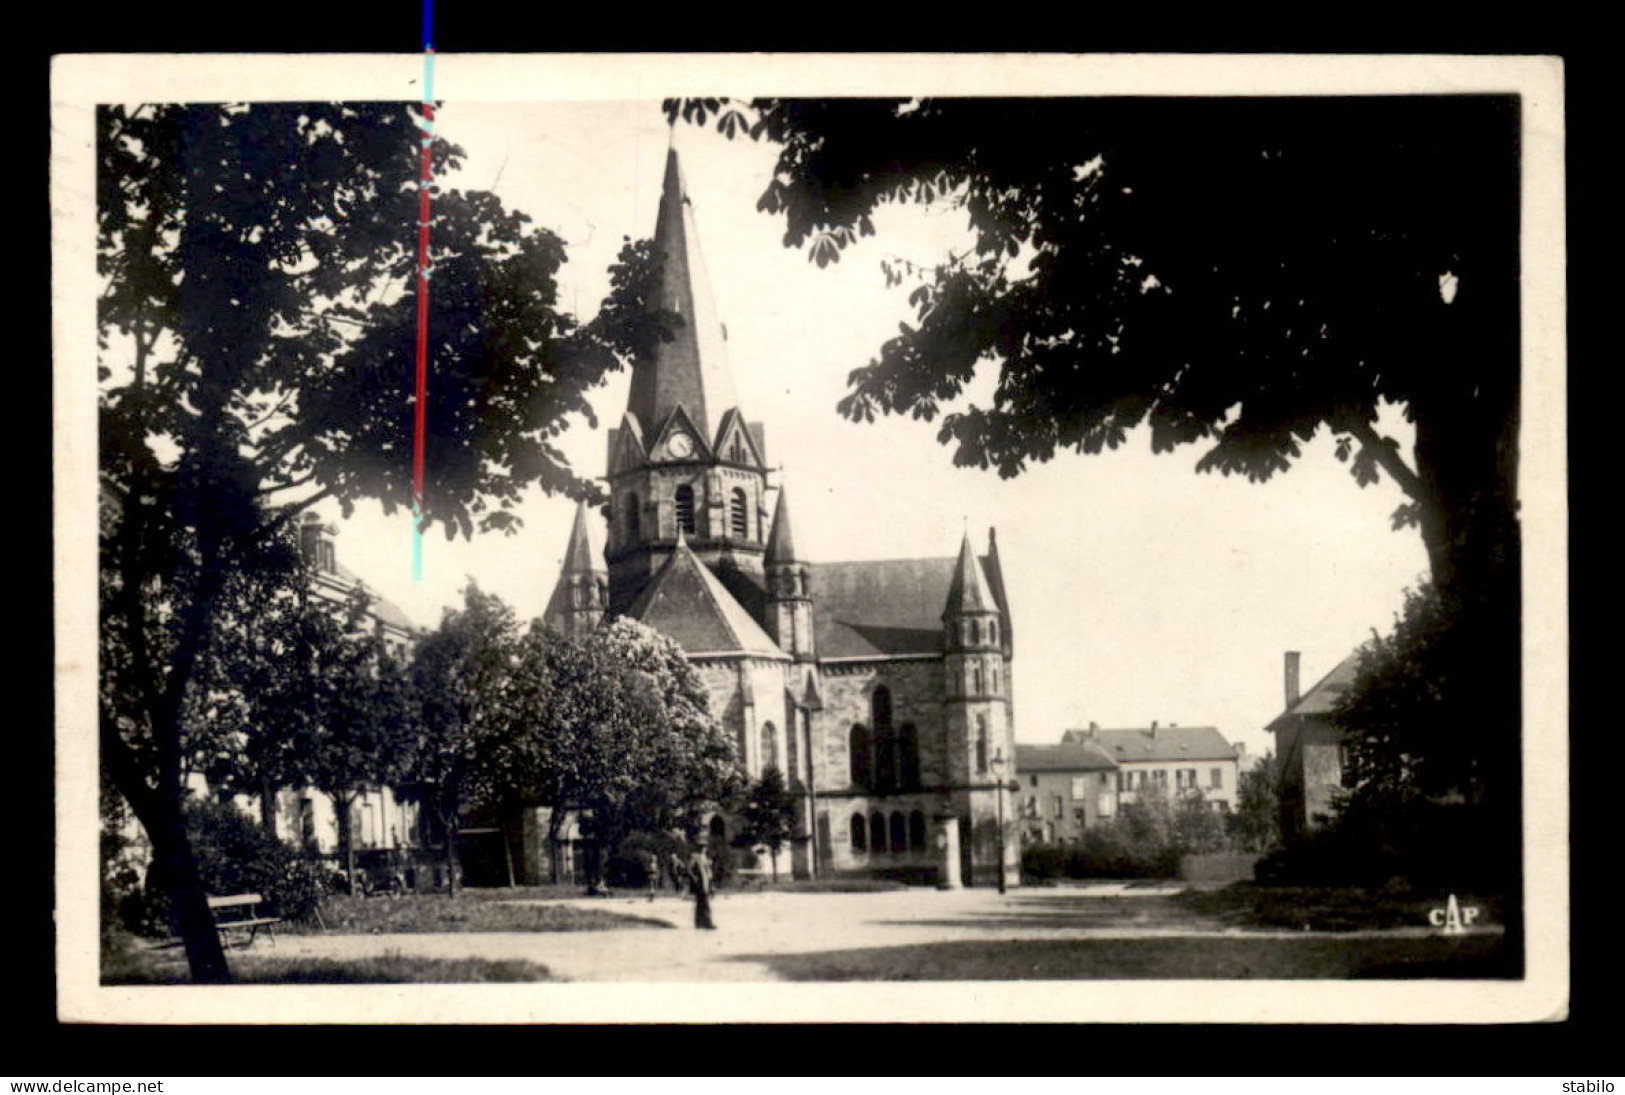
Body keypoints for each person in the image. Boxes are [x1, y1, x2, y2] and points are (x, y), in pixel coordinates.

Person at [689, 844, 716, 930]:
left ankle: (701, 922)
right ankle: (706, 922)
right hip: (701, 883)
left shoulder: (703, 857)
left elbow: (708, 872)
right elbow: (690, 869)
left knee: (702, 903)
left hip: (705, 882)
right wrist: (695, 878)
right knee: (704, 903)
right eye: (702, 848)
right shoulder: (697, 857)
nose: (704, 849)